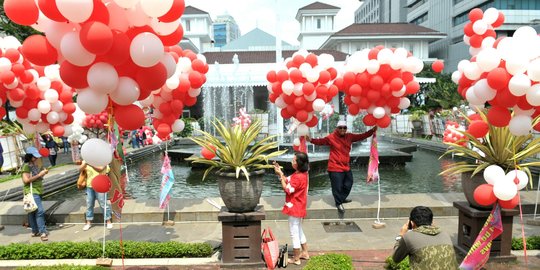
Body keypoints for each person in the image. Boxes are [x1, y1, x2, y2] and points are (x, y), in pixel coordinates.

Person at [306, 120, 376, 213]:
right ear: (337, 128)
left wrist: (372, 131)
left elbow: (362, 136)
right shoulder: (331, 137)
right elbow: (321, 141)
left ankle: (341, 198)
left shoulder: (350, 136)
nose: (343, 129)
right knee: (337, 187)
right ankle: (338, 203)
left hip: (345, 166)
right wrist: (311, 140)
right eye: (340, 127)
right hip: (334, 167)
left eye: (344, 127)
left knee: (349, 183)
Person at [273, 152, 310, 266]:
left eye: (294, 160)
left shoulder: (298, 177)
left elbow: (287, 189)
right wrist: (280, 173)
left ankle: (296, 258)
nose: (292, 162)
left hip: (295, 208)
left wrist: (280, 175)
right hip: (299, 207)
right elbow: (286, 180)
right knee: (298, 230)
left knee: (294, 232)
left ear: (298, 163)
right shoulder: (300, 174)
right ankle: (304, 252)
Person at [392, 206, 458, 270]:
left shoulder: (409, 237)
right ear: (432, 221)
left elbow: (396, 259)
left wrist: (400, 236)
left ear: (412, 223)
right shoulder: (445, 234)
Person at [21, 147, 49, 241]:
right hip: (31, 191)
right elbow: (26, 180)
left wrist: (43, 173)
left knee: (32, 211)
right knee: (39, 211)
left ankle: (34, 230)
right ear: (30, 156)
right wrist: (40, 174)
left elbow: (37, 178)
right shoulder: (26, 166)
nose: (36, 158)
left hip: (37, 190)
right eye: (34, 157)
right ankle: (43, 232)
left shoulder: (34, 164)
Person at [80, 160, 113, 231]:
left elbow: (100, 169)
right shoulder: (86, 160)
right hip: (89, 186)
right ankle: (88, 222)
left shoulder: (102, 159)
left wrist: (90, 163)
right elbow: (80, 169)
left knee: (103, 203)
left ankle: (108, 221)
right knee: (89, 204)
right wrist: (85, 163)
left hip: (100, 185)